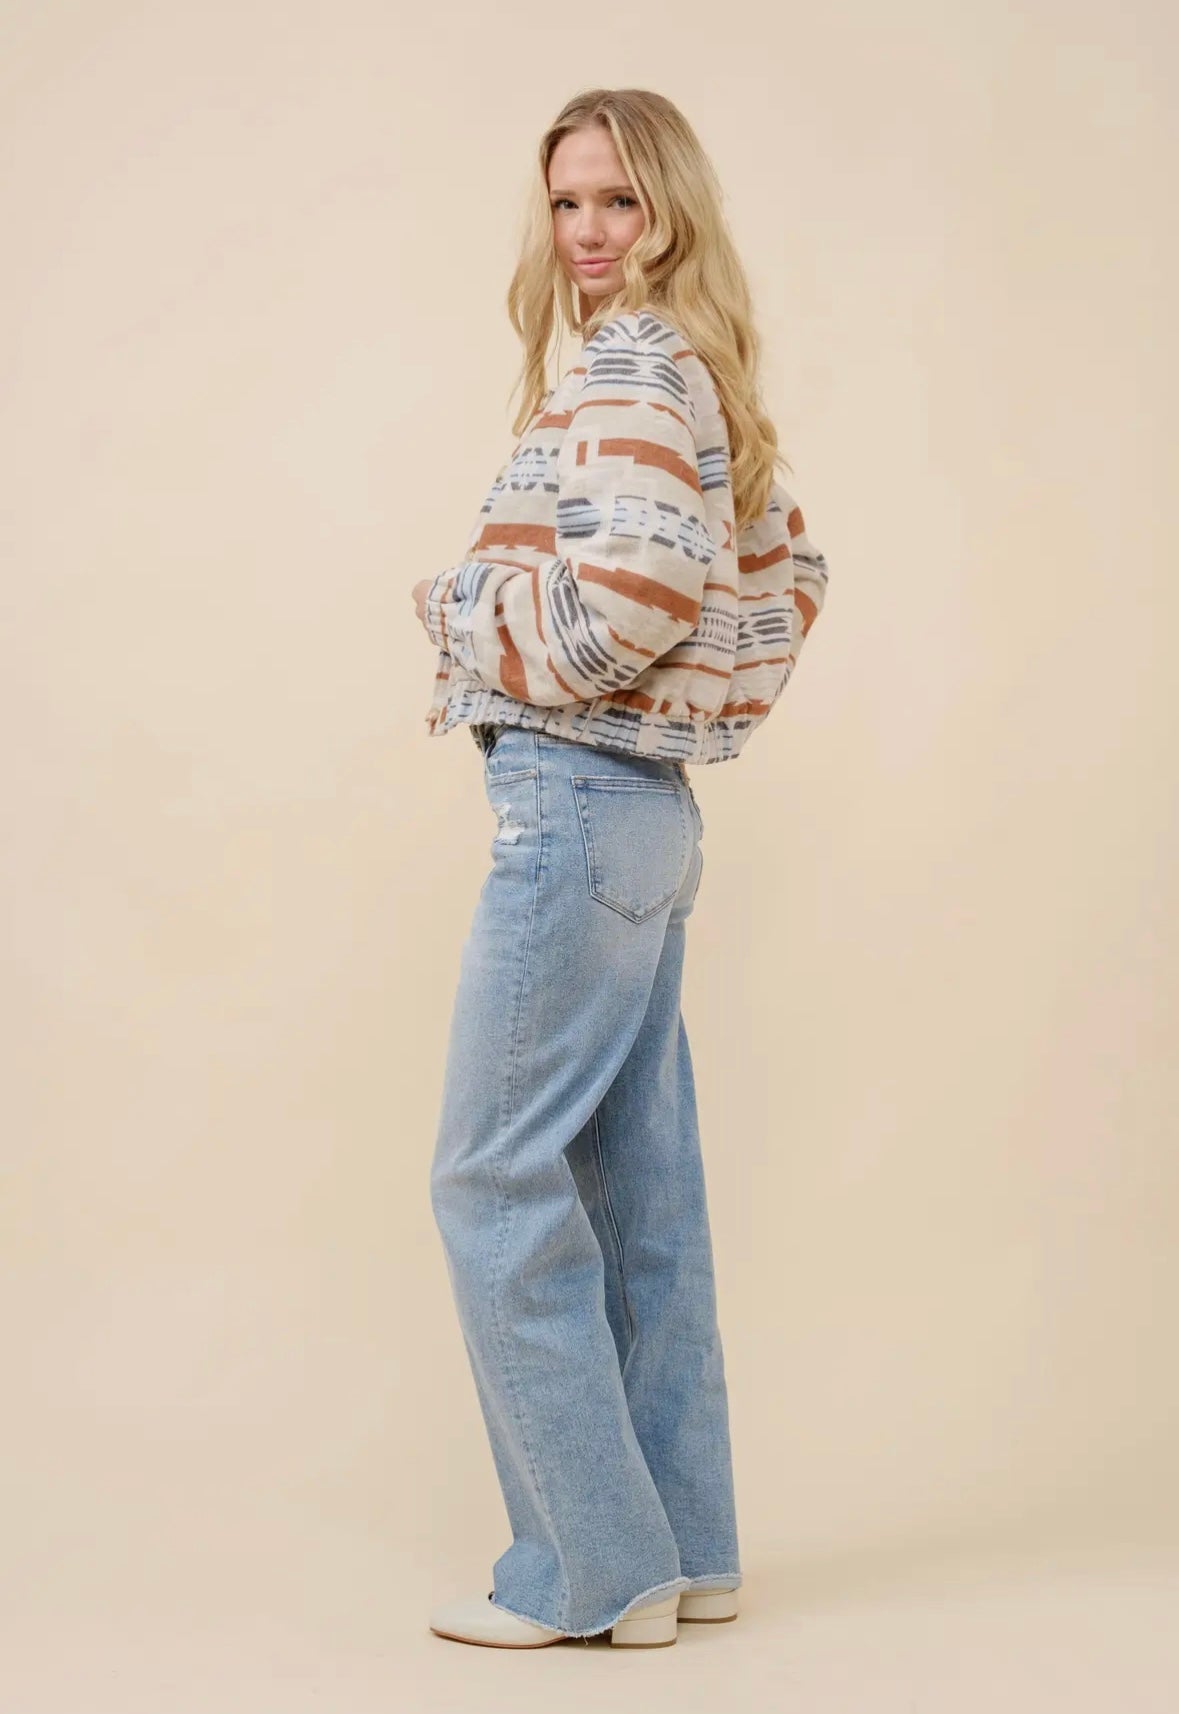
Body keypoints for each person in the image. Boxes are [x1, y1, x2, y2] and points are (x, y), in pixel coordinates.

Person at [411, 87, 830, 1650]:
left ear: (670, 210)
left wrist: (464, 610)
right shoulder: (698, 367)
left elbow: (639, 591)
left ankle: (593, 1568)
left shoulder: (634, 363)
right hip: (646, 811)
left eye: (619, 202)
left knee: (492, 1178)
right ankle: (684, 1550)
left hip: (578, 802)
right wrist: (688, 713)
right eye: (568, 203)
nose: (588, 232)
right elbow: (791, 572)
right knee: (636, 1189)